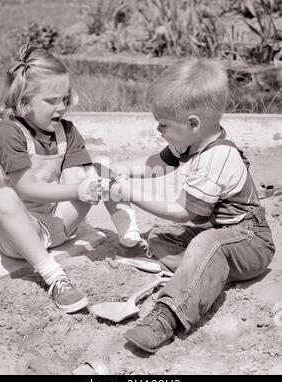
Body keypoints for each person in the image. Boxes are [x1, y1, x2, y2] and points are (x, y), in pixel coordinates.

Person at [109, 57, 276, 353]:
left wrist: (129, 192)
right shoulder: (189, 140)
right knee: (161, 236)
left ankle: (166, 316)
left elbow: (183, 210)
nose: (158, 130)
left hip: (251, 241)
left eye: (163, 124)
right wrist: (120, 170)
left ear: (192, 123)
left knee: (206, 244)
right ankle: (204, 273)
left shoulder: (218, 157)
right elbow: (157, 163)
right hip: (217, 232)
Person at [0, 44, 142, 314]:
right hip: (19, 232)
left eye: (65, 98)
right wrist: (78, 190)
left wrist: (90, 186)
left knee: (100, 168)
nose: (62, 107)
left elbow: (74, 180)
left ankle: (131, 241)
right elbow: (27, 188)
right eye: (52, 101)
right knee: (3, 197)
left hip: (59, 223)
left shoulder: (66, 131)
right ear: (23, 102)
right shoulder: (8, 133)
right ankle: (55, 277)